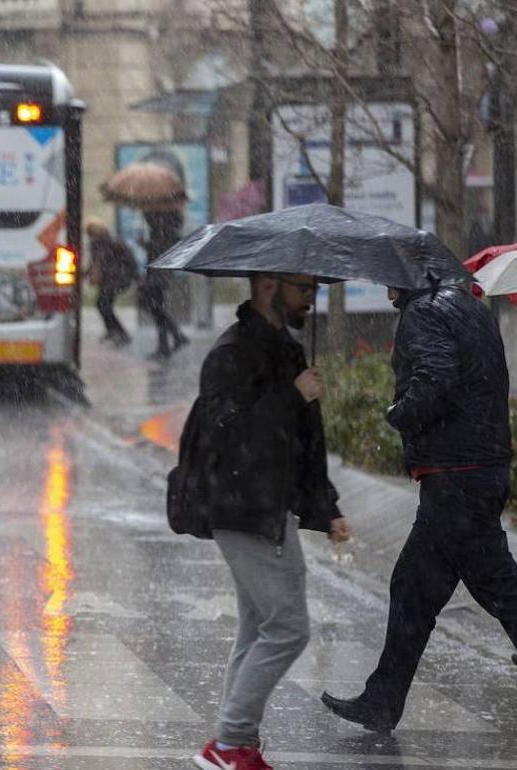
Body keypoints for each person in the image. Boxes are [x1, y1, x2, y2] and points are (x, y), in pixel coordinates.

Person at [322, 279, 517, 732]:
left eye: (388, 277)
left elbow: (436, 377)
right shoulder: (468, 306)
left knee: (495, 584)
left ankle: (382, 701)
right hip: (474, 469)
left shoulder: (423, 313)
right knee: (413, 588)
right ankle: (381, 701)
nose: (382, 285)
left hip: (457, 476)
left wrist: (399, 412)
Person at [189, 273, 352, 770]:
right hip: (243, 507)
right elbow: (227, 438)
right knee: (288, 629)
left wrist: (326, 509)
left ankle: (236, 742)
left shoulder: (285, 350)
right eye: (303, 288)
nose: (311, 298)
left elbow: (305, 442)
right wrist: (292, 395)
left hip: (267, 505)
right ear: (267, 287)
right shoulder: (232, 354)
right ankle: (230, 744)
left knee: (259, 625)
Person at [139, 209, 189, 358]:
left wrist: (146, 245)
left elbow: (159, 251)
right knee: (156, 308)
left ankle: (172, 340)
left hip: (158, 275)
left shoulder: (163, 230)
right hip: (159, 274)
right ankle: (171, 340)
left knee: (155, 308)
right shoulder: (166, 230)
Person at [86, 222, 137, 346]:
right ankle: (114, 331)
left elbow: (130, 259)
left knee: (103, 304)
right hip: (108, 280)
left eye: (92, 233)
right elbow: (95, 263)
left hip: (117, 279)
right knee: (102, 305)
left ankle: (119, 332)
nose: (91, 236)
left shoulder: (113, 243)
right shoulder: (95, 245)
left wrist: (133, 276)